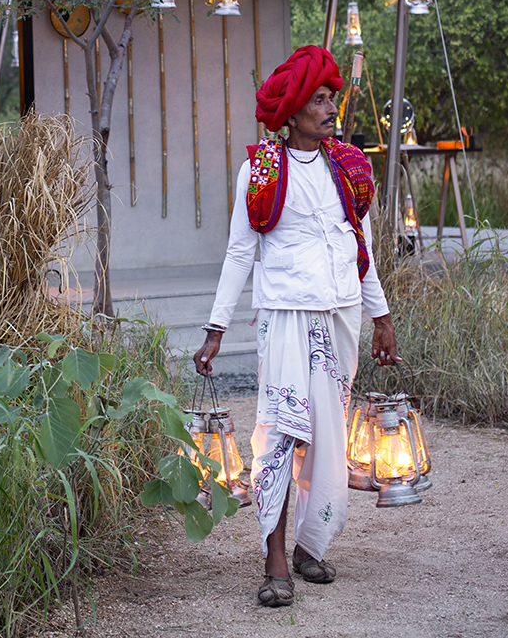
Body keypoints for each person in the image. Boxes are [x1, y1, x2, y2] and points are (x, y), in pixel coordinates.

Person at [192, 45, 400, 609]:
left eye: (332, 97)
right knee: (282, 435)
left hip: (340, 317)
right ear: (291, 110)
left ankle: (310, 547)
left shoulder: (350, 166)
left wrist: (380, 317)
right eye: (318, 99)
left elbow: (362, 249)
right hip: (285, 319)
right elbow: (239, 253)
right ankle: (274, 557)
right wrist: (216, 328)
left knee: (328, 443)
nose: (330, 107)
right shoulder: (260, 171)